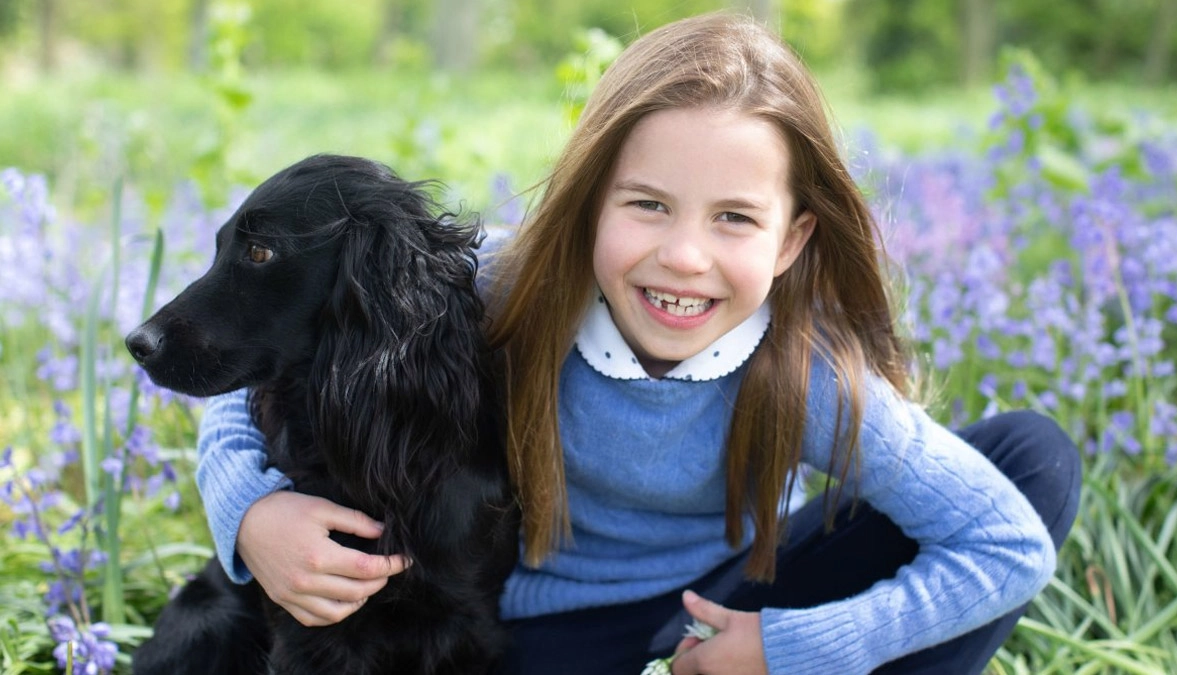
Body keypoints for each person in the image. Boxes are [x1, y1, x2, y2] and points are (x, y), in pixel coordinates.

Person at [194, 13, 1082, 675]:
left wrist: (790, 646)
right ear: (590, 205)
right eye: (648, 204)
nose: (684, 256)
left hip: (720, 608)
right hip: (538, 633)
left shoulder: (801, 371)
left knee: (1031, 459)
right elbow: (264, 353)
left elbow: (1005, 543)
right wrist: (250, 514)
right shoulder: (509, 289)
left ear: (791, 242)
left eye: (735, 218)